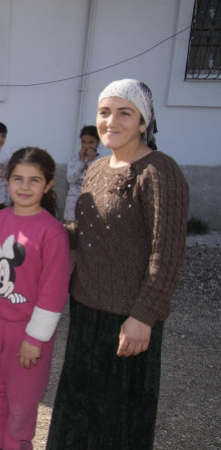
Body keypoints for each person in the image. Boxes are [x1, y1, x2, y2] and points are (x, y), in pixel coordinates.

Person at [46, 79, 189, 449]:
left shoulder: (159, 171)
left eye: (125, 113)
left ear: (144, 123)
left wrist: (144, 315)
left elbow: (167, 251)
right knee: (79, 408)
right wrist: (37, 229)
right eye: (104, 112)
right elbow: (87, 231)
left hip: (128, 318)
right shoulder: (96, 169)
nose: (111, 121)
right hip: (85, 310)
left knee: (117, 419)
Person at [0, 147, 70, 450]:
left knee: (21, 400)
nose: (24, 187)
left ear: (48, 185)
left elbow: (53, 293)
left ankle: (16, 445)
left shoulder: (53, 233)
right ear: (6, 181)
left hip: (27, 332)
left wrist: (35, 339)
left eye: (34, 180)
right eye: (17, 178)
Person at [63, 125, 100, 222]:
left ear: (98, 142)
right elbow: (70, 179)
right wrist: (81, 161)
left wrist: (91, 161)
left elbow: (96, 182)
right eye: (84, 142)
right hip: (72, 206)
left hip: (90, 205)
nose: (87, 146)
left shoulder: (101, 161)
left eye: (91, 142)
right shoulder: (74, 159)